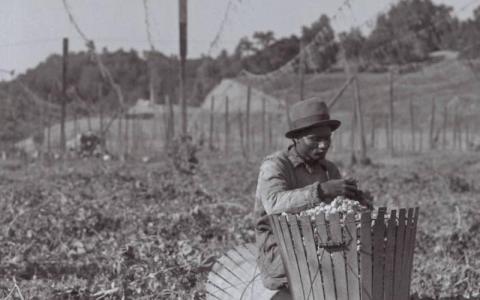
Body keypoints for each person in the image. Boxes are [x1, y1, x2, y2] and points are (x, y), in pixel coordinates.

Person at [254, 99, 363, 297]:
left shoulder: (328, 169)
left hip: (323, 247)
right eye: (314, 139)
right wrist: (320, 191)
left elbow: (336, 213)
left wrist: (356, 201)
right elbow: (274, 204)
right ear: (296, 138)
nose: (323, 145)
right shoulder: (276, 165)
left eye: (327, 138)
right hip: (281, 251)